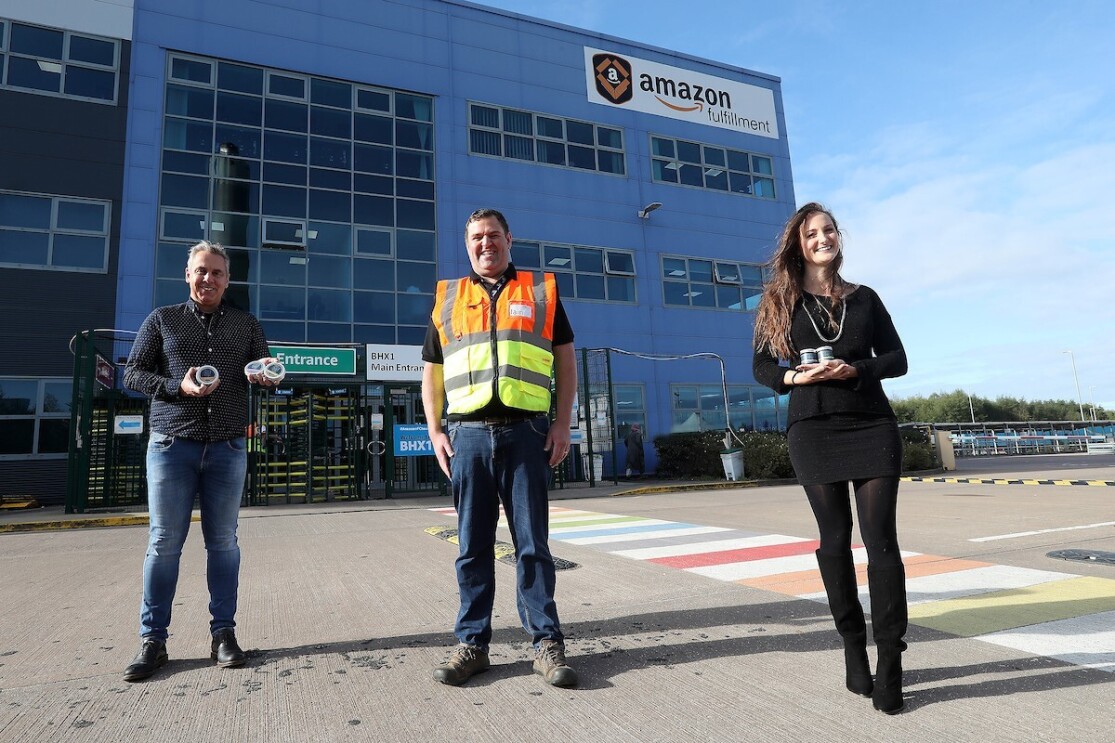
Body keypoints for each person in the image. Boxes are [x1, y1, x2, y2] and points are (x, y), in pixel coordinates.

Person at [751, 203, 909, 714]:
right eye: (812, 233)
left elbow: (898, 360)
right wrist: (794, 377)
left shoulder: (864, 298)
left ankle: (891, 662)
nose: (823, 238)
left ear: (839, 238)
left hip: (871, 423)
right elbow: (760, 365)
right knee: (835, 540)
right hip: (813, 427)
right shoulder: (781, 300)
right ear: (799, 244)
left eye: (829, 230)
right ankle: (852, 645)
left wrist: (853, 368)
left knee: (881, 540)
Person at [421, 208, 579, 688]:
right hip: (467, 435)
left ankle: (545, 643)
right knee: (473, 547)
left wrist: (561, 423)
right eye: (476, 238)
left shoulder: (540, 290)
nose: (485, 244)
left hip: (526, 432)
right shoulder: (448, 296)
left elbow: (564, 358)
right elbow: (431, 368)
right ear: (466, 244)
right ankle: (473, 644)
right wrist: (434, 430)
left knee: (533, 545)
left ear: (509, 239)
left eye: (493, 235)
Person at [122, 240, 280, 682]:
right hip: (173, 444)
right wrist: (178, 387)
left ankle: (223, 634)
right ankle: (153, 641)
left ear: (227, 280)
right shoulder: (162, 320)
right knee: (164, 543)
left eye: (217, 273)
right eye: (201, 271)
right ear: (187, 274)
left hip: (228, 446)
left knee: (224, 543)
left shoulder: (246, 324)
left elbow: (265, 373)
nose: (208, 279)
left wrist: (267, 375)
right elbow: (132, 373)